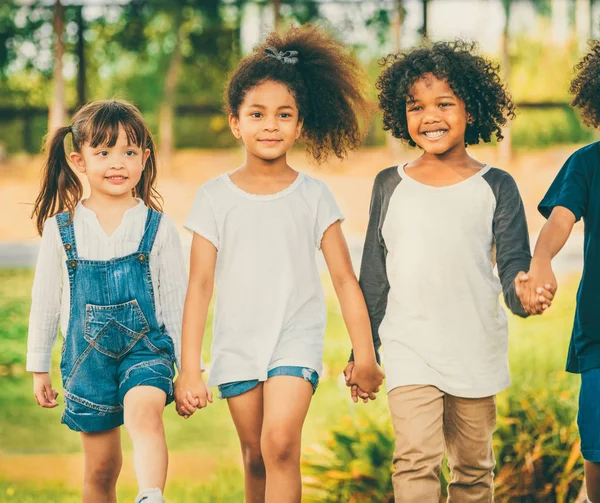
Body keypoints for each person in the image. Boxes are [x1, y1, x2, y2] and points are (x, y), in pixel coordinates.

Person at [175, 25, 384, 503]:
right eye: (257, 114)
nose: (270, 125)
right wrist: (190, 367)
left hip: (296, 338)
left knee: (280, 445)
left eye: (283, 115)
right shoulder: (213, 197)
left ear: (300, 125)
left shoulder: (314, 196)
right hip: (237, 344)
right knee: (255, 455)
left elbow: (345, 281)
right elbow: (199, 286)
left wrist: (366, 353)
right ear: (235, 123)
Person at [345, 40, 552, 502]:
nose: (429, 116)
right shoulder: (389, 184)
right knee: (415, 459)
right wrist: (364, 350)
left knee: (474, 469)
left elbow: (514, 266)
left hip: (474, 347)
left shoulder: (497, 185)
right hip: (409, 347)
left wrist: (525, 295)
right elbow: (373, 278)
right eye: (416, 107)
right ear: (403, 117)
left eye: (444, 104)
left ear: (471, 109)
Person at [27, 100, 186, 503]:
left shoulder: (157, 227)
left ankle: (151, 495)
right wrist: (38, 368)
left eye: (130, 152)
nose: (118, 163)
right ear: (80, 160)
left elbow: (176, 303)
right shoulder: (59, 230)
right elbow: (45, 302)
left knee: (143, 412)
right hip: (87, 360)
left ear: (145, 158)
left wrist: (188, 370)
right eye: (104, 153)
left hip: (146, 350)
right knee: (101, 469)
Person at [518, 40, 600, 503]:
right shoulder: (587, 162)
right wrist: (542, 260)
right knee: (597, 444)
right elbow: (561, 218)